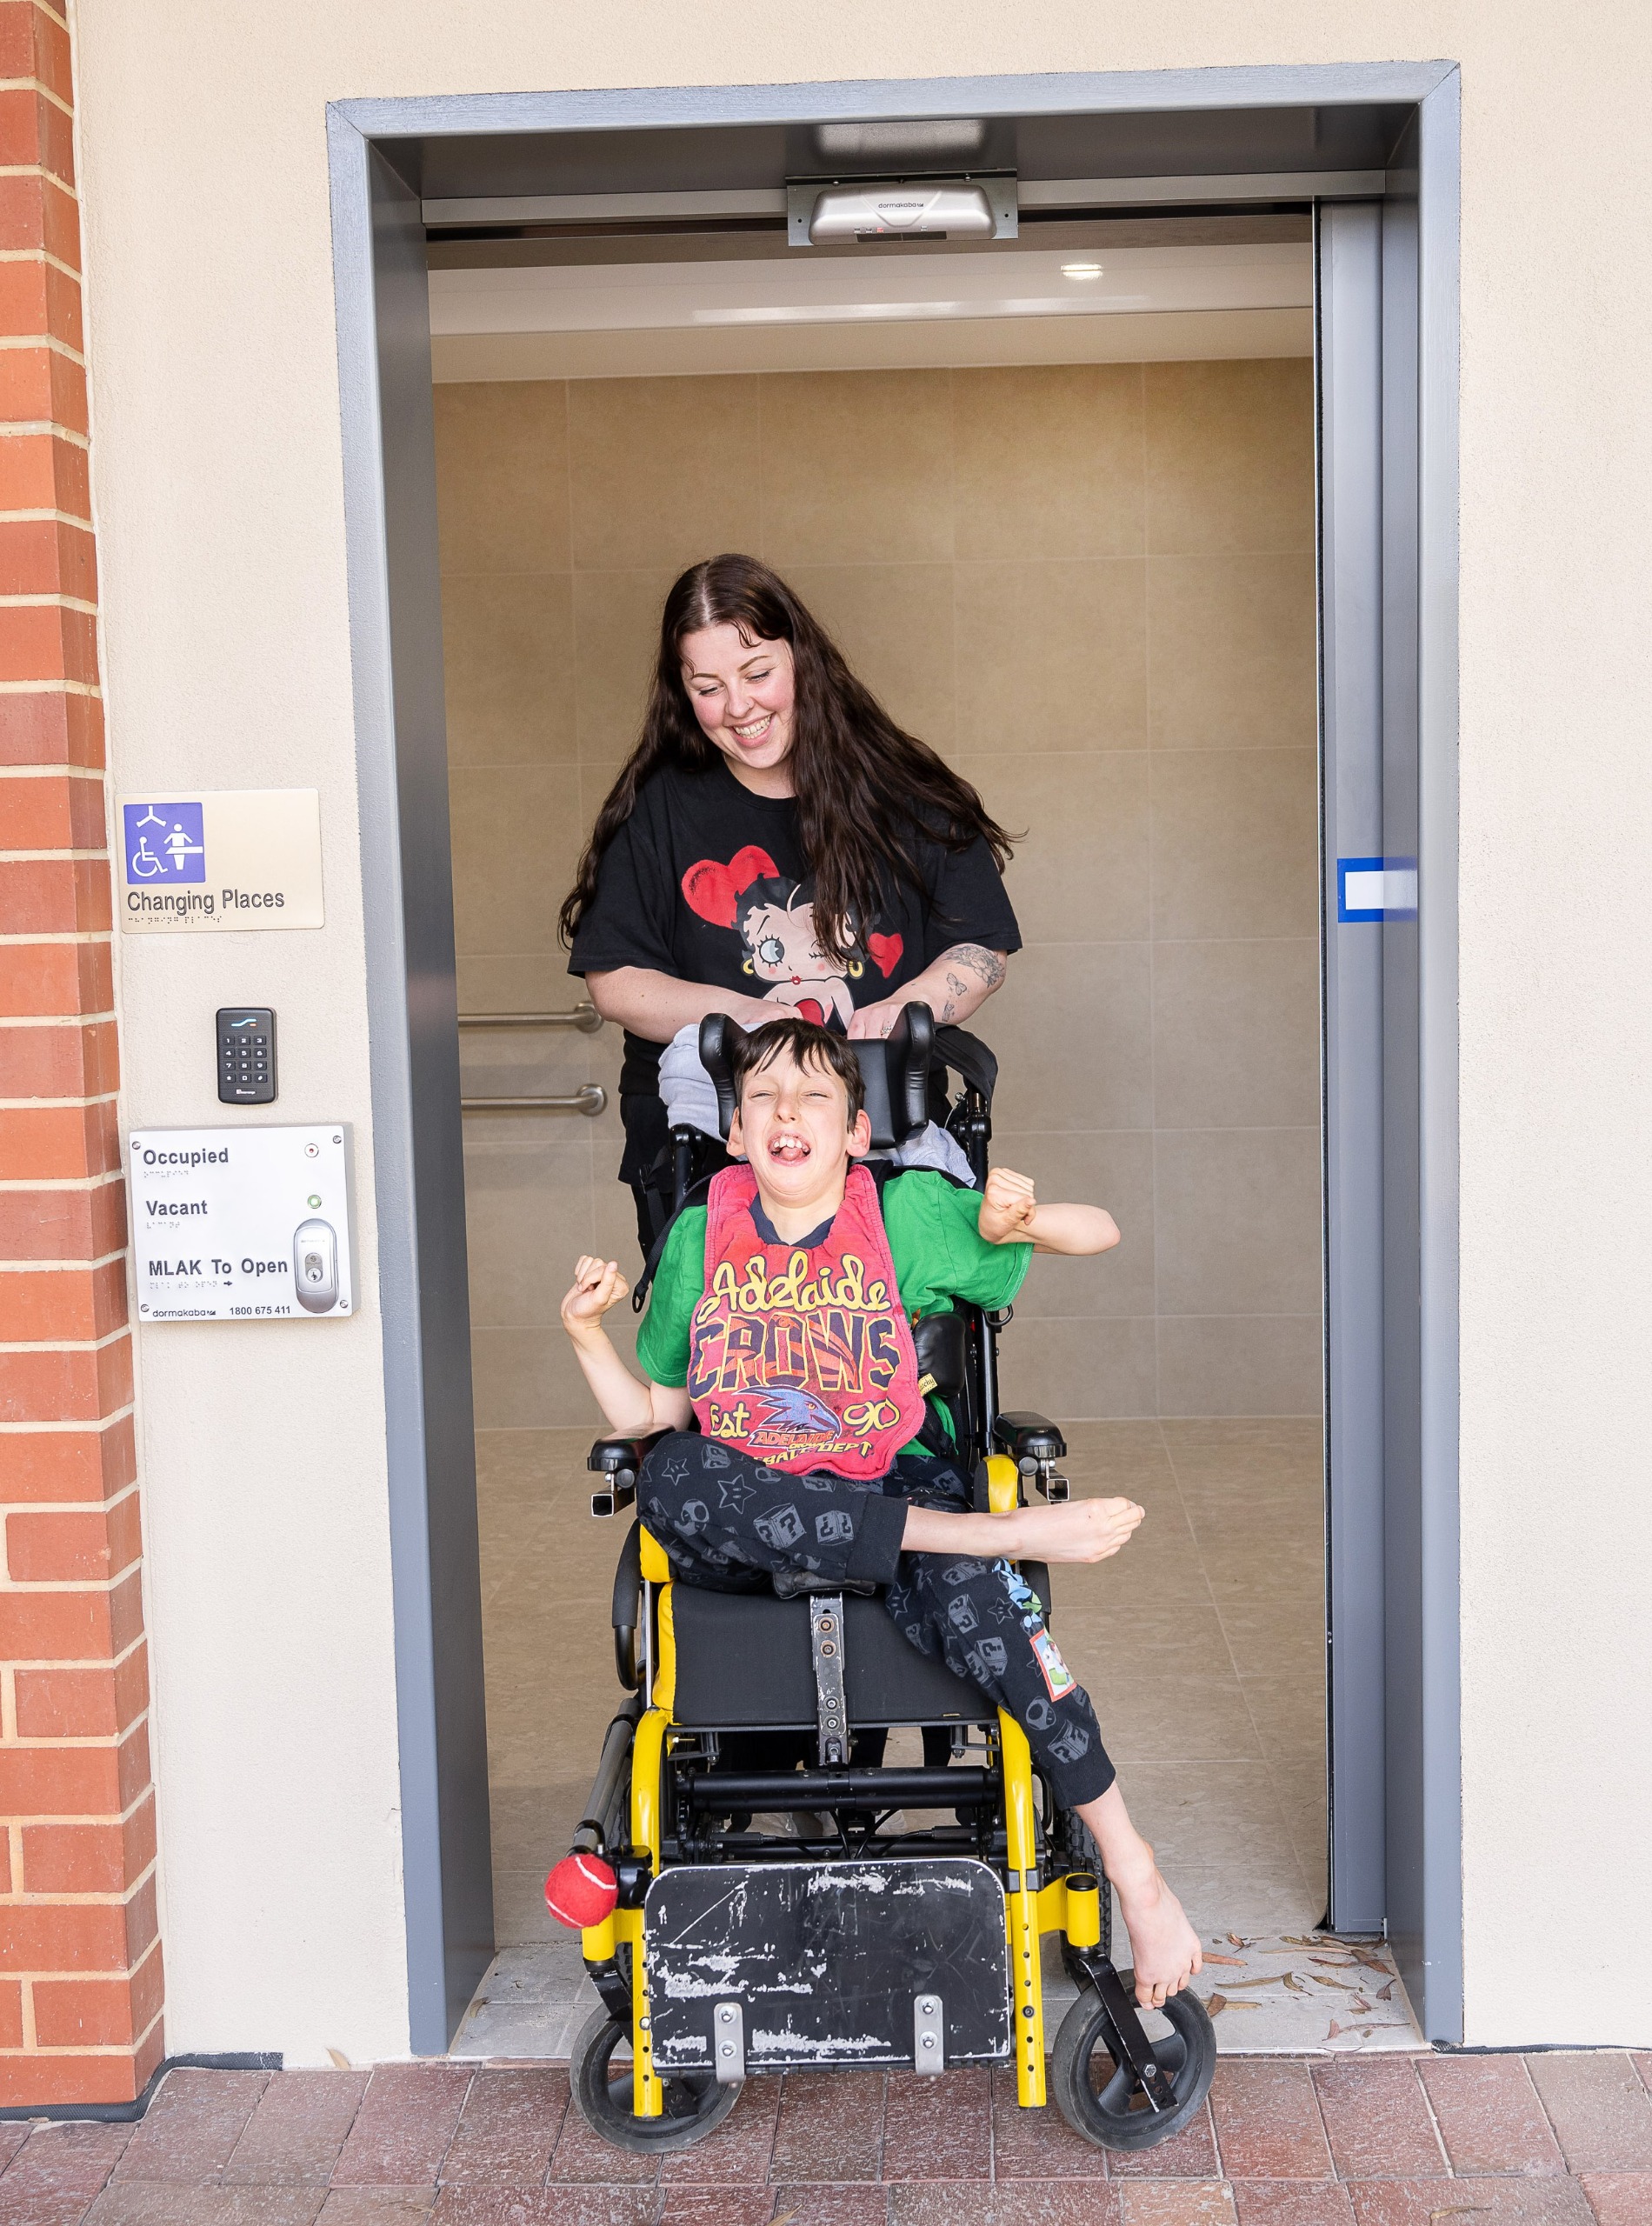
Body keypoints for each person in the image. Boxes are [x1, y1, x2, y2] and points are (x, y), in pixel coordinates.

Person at [559, 1015, 1203, 2010]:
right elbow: (656, 1409)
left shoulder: (903, 1212)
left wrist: (1014, 1221)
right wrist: (587, 1335)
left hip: (886, 1488)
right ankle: (995, 1535)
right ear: (734, 1133)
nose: (786, 1112)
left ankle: (1136, 1865)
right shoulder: (700, 1230)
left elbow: (1100, 1230)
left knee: (995, 1619)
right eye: (763, 1096)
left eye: (815, 1095)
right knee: (675, 1474)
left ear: (856, 1132)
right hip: (753, 1513)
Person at [561, 554, 1021, 1250]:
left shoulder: (906, 793)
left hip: (881, 1127)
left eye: (757, 675)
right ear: (681, 692)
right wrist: (745, 1014)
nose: (739, 708)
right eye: (708, 687)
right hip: (712, 1147)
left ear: (801, 659)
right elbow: (616, 980)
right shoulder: (662, 810)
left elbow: (979, 947)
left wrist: (908, 1006)